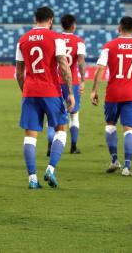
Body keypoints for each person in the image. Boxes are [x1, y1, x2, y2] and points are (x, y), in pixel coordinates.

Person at [16, 6, 74, 189]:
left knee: (30, 135)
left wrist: (24, 91)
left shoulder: (23, 39)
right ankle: (50, 168)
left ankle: (32, 178)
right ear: (50, 20)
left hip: (30, 91)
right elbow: (64, 67)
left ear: (35, 19)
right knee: (61, 129)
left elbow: (19, 73)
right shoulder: (56, 38)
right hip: (51, 91)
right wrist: (70, 93)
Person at [90, 16, 132, 176]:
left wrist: (94, 90)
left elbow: (100, 69)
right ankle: (127, 167)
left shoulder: (109, 46)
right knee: (129, 129)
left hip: (113, 92)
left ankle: (114, 160)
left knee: (110, 125)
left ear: (118, 29)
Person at [46, 14, 86, 156]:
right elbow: (80, 61)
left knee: (53, 113)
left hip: (55, 81)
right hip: (72, 82)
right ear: (73, 26)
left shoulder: (55, 38)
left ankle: (50, 144)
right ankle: (73, 146)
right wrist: (82, 80)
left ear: (61, 25)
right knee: (74, 115)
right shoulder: (79, 41)